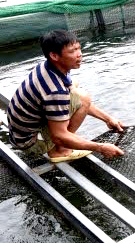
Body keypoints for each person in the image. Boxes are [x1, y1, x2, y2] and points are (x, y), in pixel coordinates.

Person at [6, 30, 125, 162]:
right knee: (82, 97)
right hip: (30, 143)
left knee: (75, 87)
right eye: (72, 51)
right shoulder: (55, 91)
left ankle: (61, 143)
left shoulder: (46, 67)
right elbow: (58, 136)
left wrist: (108, 119)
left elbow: (74, 95)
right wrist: (101, 147)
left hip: (19, 134)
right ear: (54, 56)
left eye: (79, 48)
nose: (79, 54)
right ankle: (61, 151)